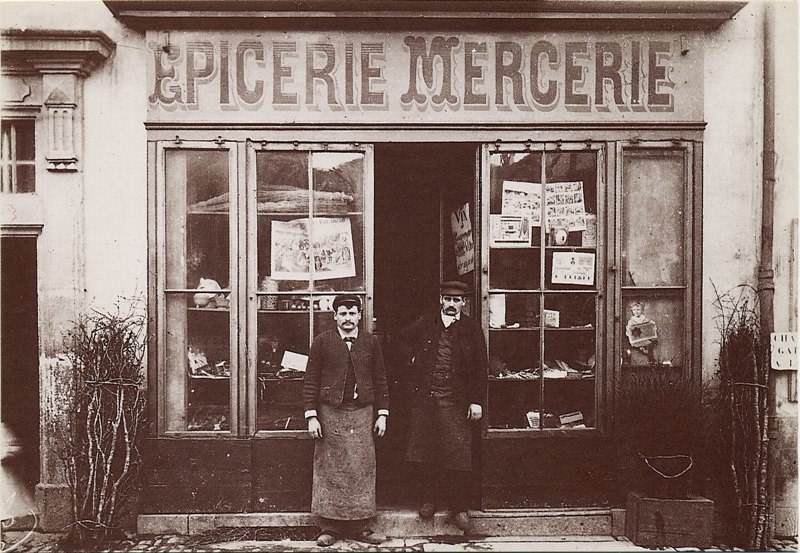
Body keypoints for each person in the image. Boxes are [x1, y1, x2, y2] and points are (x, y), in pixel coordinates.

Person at [396, 281, 488, 533]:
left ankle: (458, 507)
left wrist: (476, 400)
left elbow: (481, 367)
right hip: (426, 398)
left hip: (456, 401)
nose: (451, 304)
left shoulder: (471, 328)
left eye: (456, 300)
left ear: (463, 303)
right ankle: (429, 500)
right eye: (447, 299)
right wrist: (412, 358)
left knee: (457, 453)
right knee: (426, 450)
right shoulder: (426, 323)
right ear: (440, 300)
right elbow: (400, 340)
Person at [303, 294, 389, 547]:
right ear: (335, 316)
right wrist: (312, 416)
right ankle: (329, 528)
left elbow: (381, 379)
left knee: (361, 468)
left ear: (360, 316)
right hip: (330, 414)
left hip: (362, 413)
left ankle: (361, 527)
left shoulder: (371, 343)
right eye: (343, 313)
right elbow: (311, 380)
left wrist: (382, 413)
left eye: (352, 313)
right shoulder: (322, 342)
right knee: (330, 469)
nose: (348, 318)